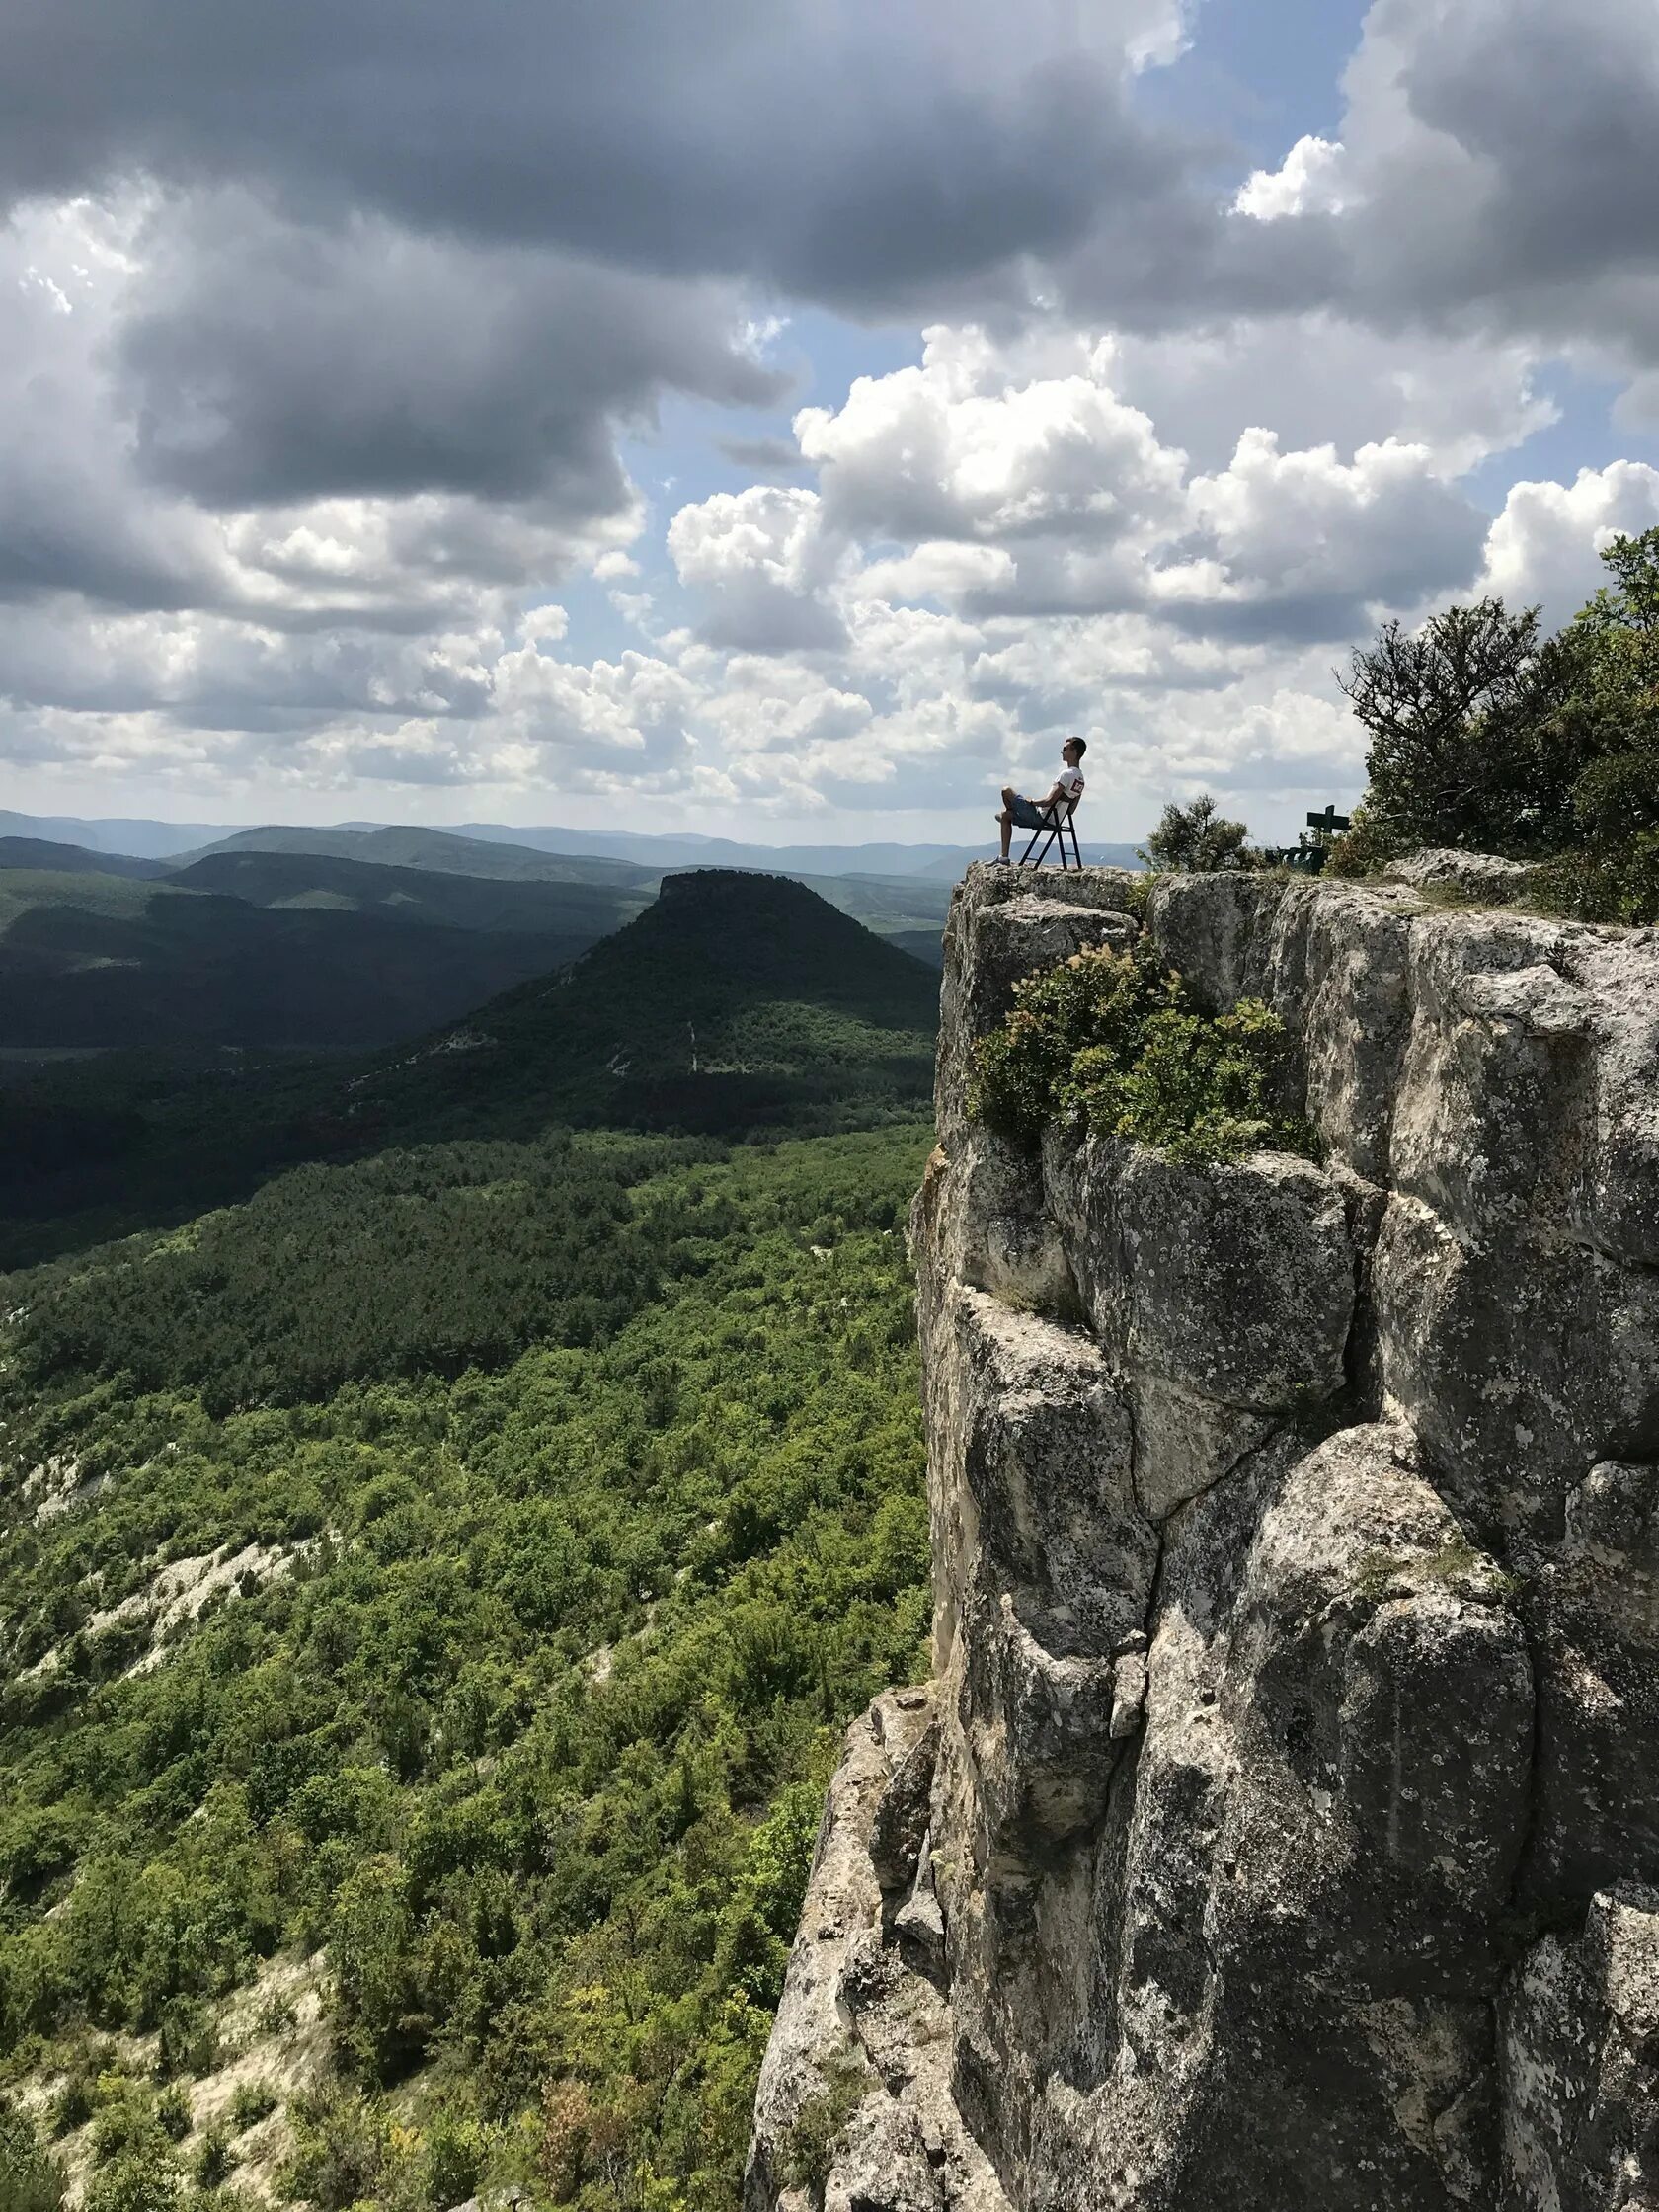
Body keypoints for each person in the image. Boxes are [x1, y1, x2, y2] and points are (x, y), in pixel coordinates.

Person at [995, 736, 1086, 862]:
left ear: (1075, 752)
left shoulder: (1067, 775)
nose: (1062, 751)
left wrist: (1031, 801)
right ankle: (1003, 857)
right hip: (1055, 822)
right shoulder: (1080, 779)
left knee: (1006, 790)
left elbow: (1048, 801)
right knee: (1005, 816)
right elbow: (1071, 811)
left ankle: (1016, 813)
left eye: (1065, 748)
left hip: (1041, 817)